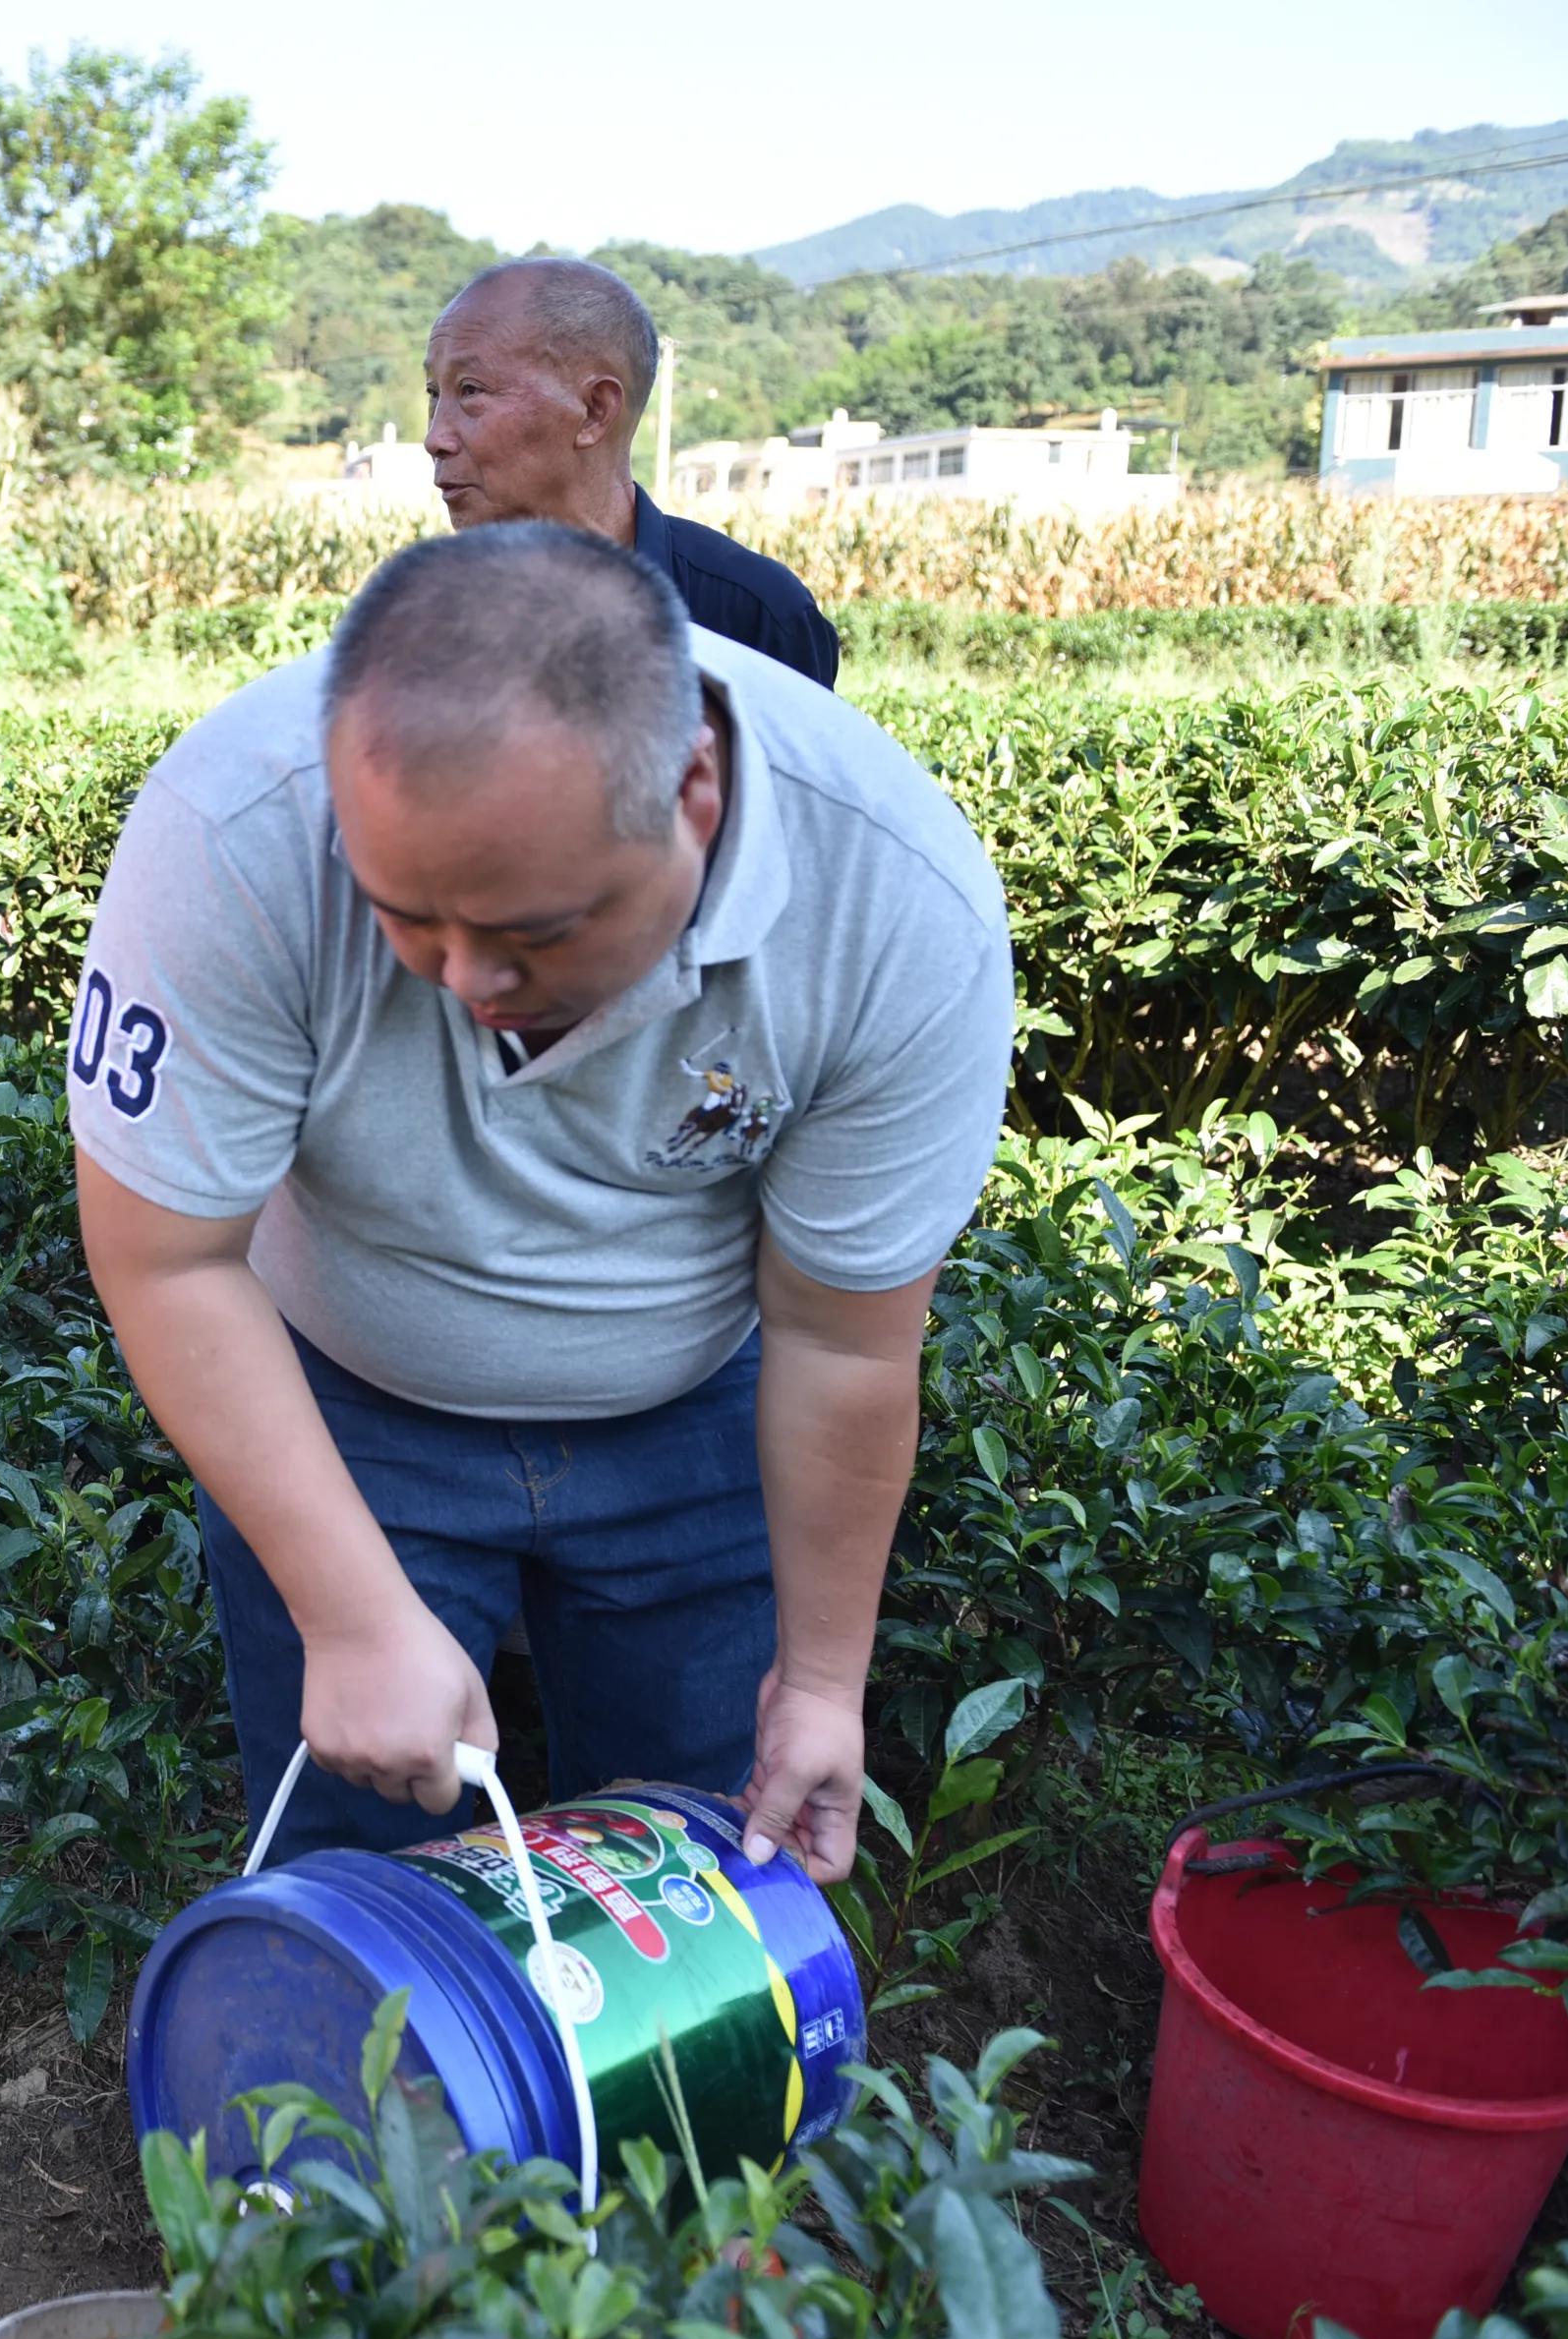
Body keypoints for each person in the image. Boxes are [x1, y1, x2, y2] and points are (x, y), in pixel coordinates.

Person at [67, 523, 1012, 1882]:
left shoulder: (892, 903)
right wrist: (347, 1617)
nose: (466, 981)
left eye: (539, 932)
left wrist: (817, 1683)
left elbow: (840, 1337)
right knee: (364, 1871)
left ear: (693, 791)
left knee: (693, 1872)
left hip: (692, 1419)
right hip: (343, 1408)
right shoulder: (235, 826)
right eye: (408, 918)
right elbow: (167, 1261)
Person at [423, 259, 842, 687]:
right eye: (434, 394)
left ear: (594, 412)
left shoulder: (754, 618)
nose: (434, 438)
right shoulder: (424, 627)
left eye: (470, 390)